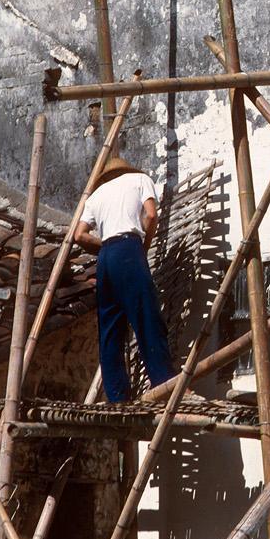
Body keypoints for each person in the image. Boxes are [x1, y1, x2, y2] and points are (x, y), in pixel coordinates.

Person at [74, 155, 176, 403]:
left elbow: (79, 235)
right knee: (148, 319)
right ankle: (164, 385)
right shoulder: (140, 179)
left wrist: (106, 247)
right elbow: (151, 216)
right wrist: (143, 247)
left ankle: (117, 396)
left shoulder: (96, 196)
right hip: (129, 249)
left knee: (110, 329)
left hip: (106, 257)